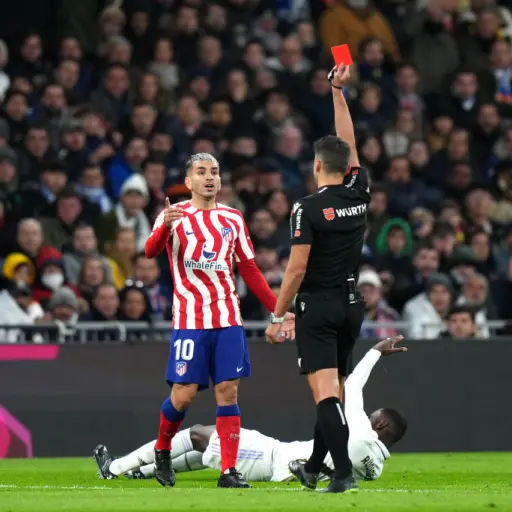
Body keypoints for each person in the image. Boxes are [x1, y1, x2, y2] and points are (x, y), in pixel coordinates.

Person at [99, 152, 294, 489]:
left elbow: (249, 269)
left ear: (220, 181)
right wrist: (165, 227)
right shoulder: (174, 215)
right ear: (188, 181)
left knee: (228, 392)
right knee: (184, 395)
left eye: (215, 172)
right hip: (190, 319)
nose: (209, 178)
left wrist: (277, 309)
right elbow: (148, 251)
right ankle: (162, 449)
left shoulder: (233, 218)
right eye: (202, 172)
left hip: (228, 318)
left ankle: (228, 471)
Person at [93, 337, 407, 484]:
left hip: (274, 462)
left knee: (201, 434)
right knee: (208, 455)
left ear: (380, 428)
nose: (365, 418)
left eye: (372, 418)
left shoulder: (362, 435)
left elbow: (350, 388)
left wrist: (374, 353)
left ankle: (115, 468)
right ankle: (140, 472)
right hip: (278, 457)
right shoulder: (375, 470)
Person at [265, 64, 370, 494]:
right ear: (346, 165)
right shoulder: (359, 191)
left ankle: (342, 473)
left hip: (318, 307)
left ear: (315, 165)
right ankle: (312, 465)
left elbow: (296, 269)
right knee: (334, 391)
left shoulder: (306, 209)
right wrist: (337, 93)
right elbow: (349, 141)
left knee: (325, 394)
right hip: (352, 305)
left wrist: (277, 314)